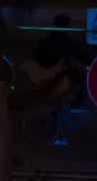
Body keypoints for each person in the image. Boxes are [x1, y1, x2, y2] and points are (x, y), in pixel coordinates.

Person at [29, 14, 89, 145]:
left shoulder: (48, 40)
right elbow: (80, 55)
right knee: (83, 81)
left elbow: (37, 56)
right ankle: (75, 105)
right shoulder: (66, 42)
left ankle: (58, 123)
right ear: (66, 25)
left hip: (45, 77)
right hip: (59, 77)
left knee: (60, 100)